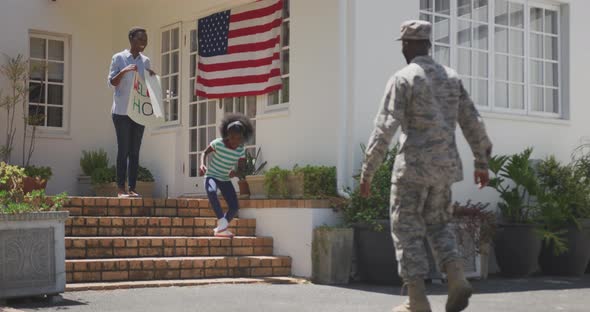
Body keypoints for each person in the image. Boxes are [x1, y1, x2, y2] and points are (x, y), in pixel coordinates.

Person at [359, 20, 493, 312]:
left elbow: (385, 128)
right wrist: (481, 162)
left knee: (406, 229)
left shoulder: (404, 78)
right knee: (439, 224)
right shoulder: (451, 78)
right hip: (444, 170)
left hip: (412, 169)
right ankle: (456, 277)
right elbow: (472, 121)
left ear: (406, 45)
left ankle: (416, 300)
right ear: (428, 44)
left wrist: (368, 170)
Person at [108, 27, 156, 198]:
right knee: (124, 150)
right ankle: (121, 188)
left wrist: (152, 80)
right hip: (121, 112)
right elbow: (112, 82)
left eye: (145, 39)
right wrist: (125, 70)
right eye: (140, 39)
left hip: (138, 112)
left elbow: (147, 87)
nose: (143, 42)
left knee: (135, 151)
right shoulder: (119, 58)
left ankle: (133, 188)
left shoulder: (146, 61)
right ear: (131, 39)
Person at [199, 113, 253, 237]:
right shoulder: (218, 143)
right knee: (211, 192)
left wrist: (235, 172)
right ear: (228, 135)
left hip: (224, 179)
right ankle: (222, 222)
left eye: (239, 138)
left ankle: (221, 229)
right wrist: (202, 164)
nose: (236, 141)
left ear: (242, 138)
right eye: (233, 137)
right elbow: (204, 152)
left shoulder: (241, 150)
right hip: (211, 175)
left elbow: (241, 169)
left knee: (234, 207)